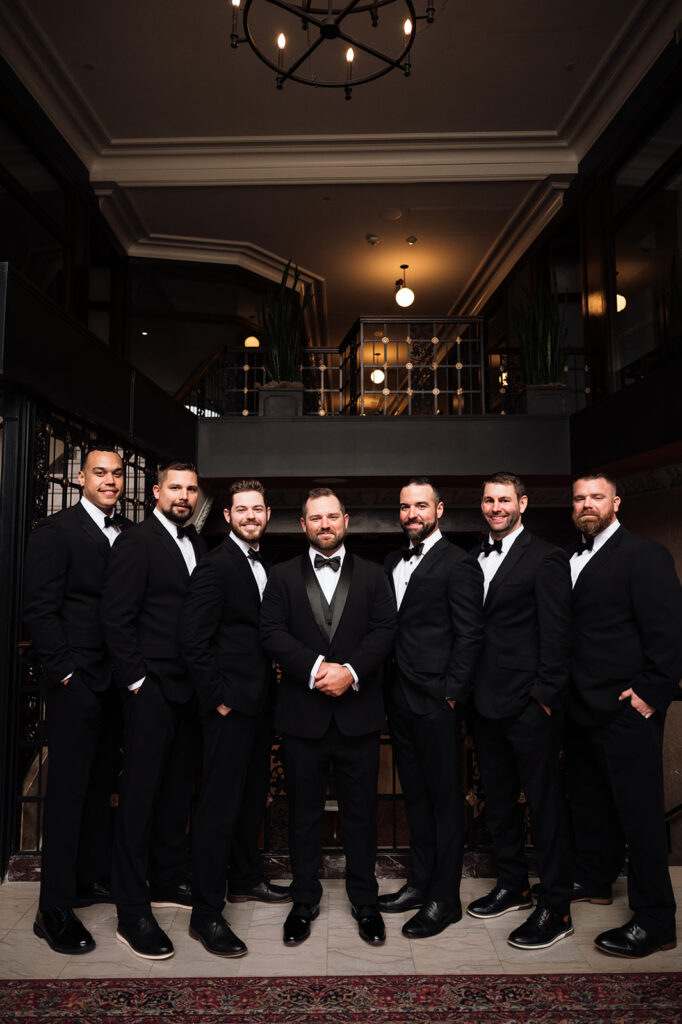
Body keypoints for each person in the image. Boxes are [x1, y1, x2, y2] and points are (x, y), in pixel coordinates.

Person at [260, 487, 396, 947]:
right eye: (315, 518)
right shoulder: (280, 576)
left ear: (346, 521)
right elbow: (271, 632)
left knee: (362, 814)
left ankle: (366, 901)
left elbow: (385, 630)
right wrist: (318, 669)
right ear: (303, 524)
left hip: (358, 714)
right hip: (303, 715)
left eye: (332, 516)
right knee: (303, 814)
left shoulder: (375, 575)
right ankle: (303, 901)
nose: (324, 524)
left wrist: (350, 672)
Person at [564, 471, 682, 958]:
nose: (587, 504)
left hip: (627, 709)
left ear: (617, 502)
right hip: (581, 707)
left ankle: (656, 920)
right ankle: (595, 879)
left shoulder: (643, 554)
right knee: (591, 803)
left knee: (641, 815)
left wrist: (651, 693)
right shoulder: (569, 559)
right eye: (580, 498)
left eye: (597, 496)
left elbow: (669, 630)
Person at [24, 446, 132, 955]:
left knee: (100, 786)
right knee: (67, 792)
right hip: (75, 683)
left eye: (117, 474)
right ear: (82, 479)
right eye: (100, 473)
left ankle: (88, 880)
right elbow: (40, 610)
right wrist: (66, 673)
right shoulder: (56, 531)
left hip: (116, 683)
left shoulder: (128, 532)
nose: (110, 481)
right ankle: (53, 908)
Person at [101, 460, 206, 960]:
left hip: (189, 689)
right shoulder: (136, 541)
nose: (183, 496)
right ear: (155, 493)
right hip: (151, 689)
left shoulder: (198, 543)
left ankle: (167, 879)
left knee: (176, 791)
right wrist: (138, 682)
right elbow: (115, 618)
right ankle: (132, 911)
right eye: (175, 487)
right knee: (139, 798)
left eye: (191, 489)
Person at [464, 472, 574, 949]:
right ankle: (513, 885)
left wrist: (544, 697)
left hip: (530, 705)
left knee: (545, 805)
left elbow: (558, 633)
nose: (496, 507)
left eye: (504, 499)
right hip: (485, 704)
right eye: (489, 500)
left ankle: (556, 907)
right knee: (499, 801)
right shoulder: (472, 558)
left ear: (522, 504)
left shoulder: (547, 557)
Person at [181, 479, 290, 958]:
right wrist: (218, 699)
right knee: (218, 807)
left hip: (259, 703)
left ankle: (245, 879)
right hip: (229, 707)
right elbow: (193, 639)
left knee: (250, 797)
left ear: (267, 515)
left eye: (257, 509)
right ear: (227, 516)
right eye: (241, 509)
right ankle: (206, 914)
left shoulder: (263, 563)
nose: (250, 516)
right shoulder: (216, 565)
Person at [378, 477, 483, 938]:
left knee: (444, 801)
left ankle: (445, 898)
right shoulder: (391, 561)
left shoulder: (459, 563)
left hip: (438, 701)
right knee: (415, 799)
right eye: (405, 507)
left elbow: (470, 633)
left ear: (439, 510)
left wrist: (452, 693)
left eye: (421, 506)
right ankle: (419, 884)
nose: (412, 514)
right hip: (399, 697)